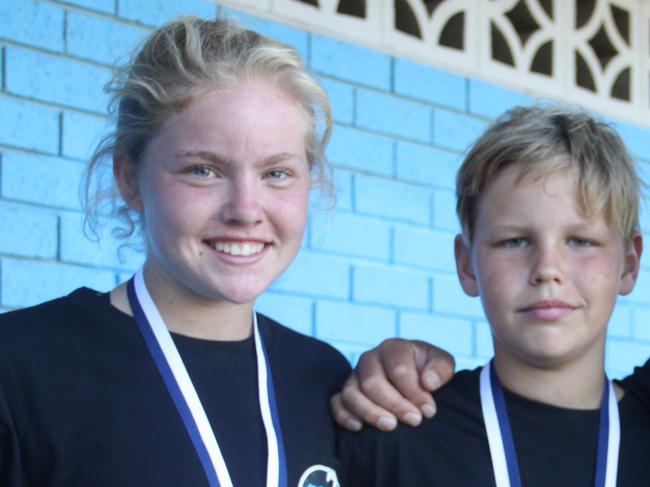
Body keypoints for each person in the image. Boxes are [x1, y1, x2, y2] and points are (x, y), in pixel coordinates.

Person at [0, 16, 365, 487]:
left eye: (276, 173)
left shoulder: (326, 380)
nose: (245, 210)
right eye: (203, 171)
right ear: (129, 177)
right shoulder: (21, 368)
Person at [337, 105, 650, 486]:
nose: (547, 268)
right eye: (514, 241)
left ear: (629, 264)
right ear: (467, 265)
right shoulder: (396, 433)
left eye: (581, 241)